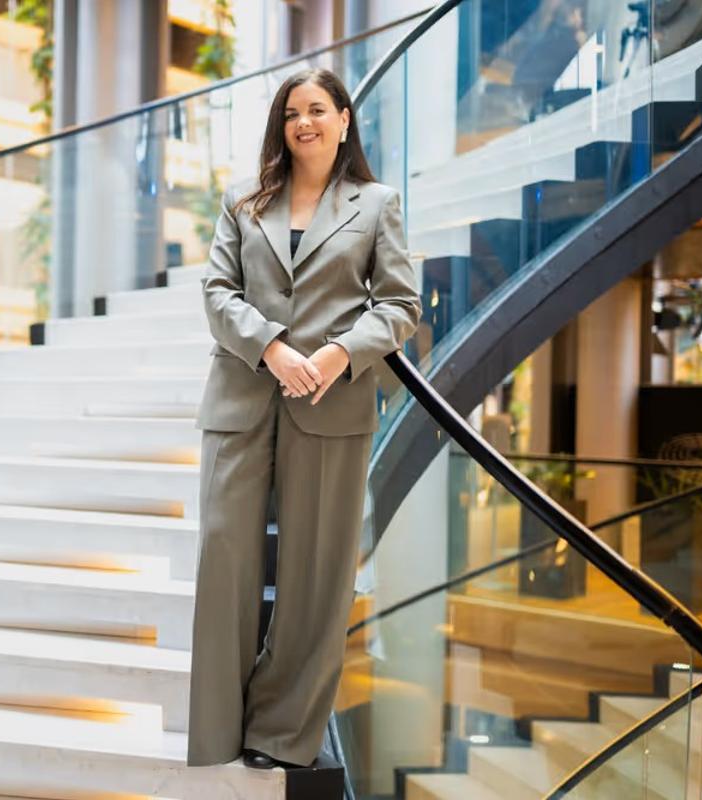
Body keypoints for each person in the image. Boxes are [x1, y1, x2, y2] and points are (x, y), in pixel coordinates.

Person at [186, 68, 421, 771]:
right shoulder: (243, 201)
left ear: (345, 120)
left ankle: (281, 733)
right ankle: (216, 732)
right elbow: (216, 290)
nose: (304, 123)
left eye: (318, 109)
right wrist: (273, 347)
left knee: (315, 578)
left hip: (331, 404)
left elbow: (401, 305)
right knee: (223, 561)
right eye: (292, 112)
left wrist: (341, 353)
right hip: (240, 399)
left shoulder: (378, 205)